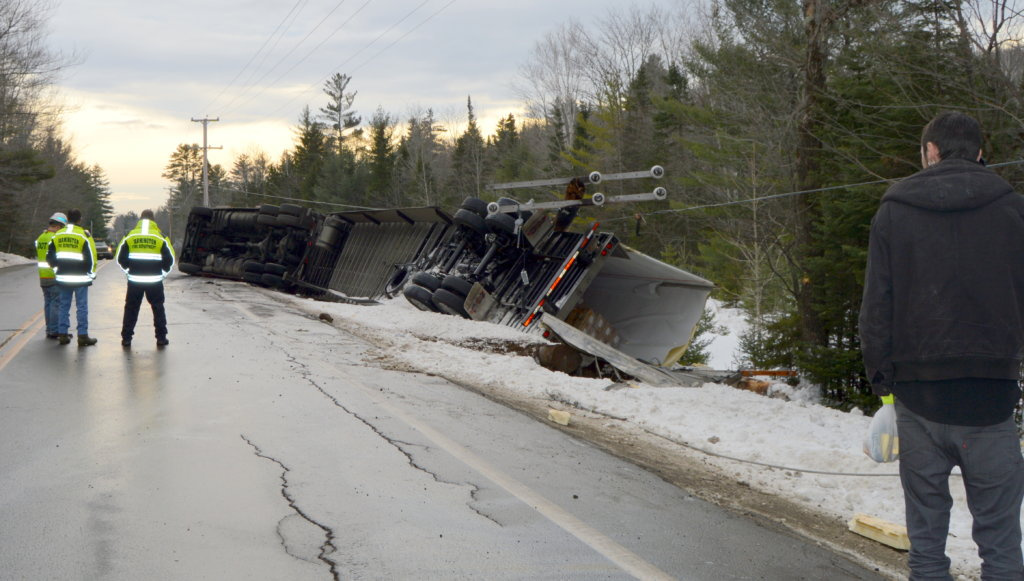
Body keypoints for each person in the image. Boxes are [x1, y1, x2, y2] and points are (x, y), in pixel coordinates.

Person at [859, 111, 1024, 579]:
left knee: (927, 544)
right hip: (991, 400)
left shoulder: (893, 212)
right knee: (1002, 546)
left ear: (930, 152)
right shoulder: (1014, 211)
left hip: (918, 399)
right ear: (978, 152)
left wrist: (884, 390)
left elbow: (876, 310)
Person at [115, 209, 175, 347]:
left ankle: (126, 338)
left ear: (140, 220)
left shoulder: (130, 235)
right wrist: (163, 274)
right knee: (158, 308)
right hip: (154, 280)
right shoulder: (160, 236)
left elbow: (120, 257)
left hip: (135, 280)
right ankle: (161, 338)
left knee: (131, 308)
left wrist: (128, 271)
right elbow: (170, 259)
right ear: (153, 220)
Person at [46, 208, 98, 346]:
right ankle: (82, 336)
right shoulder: (83, 235)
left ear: (67, 219)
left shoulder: (57, 235)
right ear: (80, 219)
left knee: (64, 306)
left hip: (63, 277)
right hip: (80, 278)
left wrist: (57, 268)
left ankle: (63, 334)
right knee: (81, 307)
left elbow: (49, 256)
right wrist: (91, 274)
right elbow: (91, 257)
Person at [35, 212, 67, 339]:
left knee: (48, 303)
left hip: (43, 276)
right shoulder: (55, 238)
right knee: (56, 304)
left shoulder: (41, 237)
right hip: (53, 275)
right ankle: (54, 330)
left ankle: (49, 329)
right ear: (59, 226)